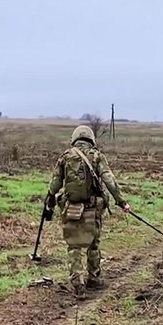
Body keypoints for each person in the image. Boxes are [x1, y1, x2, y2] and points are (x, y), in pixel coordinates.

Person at [46, 125, 130, 298]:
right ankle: (94, 277)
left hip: (71, 208)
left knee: (73, 246)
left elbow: (55, 183)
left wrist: (50, 198)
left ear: (74, 138)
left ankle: (77, 283)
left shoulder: (65, 157)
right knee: (93, 243)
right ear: (91, 138)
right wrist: (121, 202)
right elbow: (109, 181)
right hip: (92, 208)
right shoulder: (97, 156)